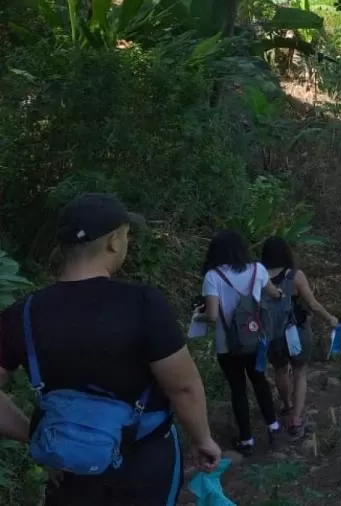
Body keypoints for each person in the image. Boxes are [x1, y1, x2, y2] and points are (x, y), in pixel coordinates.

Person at [0, 193, 220, 505]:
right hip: (143, 463)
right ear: (114, 241)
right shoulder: (143, 303)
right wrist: (202, 440)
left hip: (69, 466)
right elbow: (183, 387)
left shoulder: (22, 314)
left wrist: (37, 437)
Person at [197, 229, 282, 456]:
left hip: (228, 345)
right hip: (256, 340)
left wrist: (199, 315)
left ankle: (247, 439)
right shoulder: (258, 269)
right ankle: (273, 427)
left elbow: (213, 315)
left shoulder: (213, 277)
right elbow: (273, 293)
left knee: (238, 389)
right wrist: (279, 295)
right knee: (260, 381)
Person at [260, 237, 338, 439]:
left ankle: (286, 405)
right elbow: (312, 304)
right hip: (297, 331)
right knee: (300, 371)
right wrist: (330, 318)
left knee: (280, 369)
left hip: (271, 333)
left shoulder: (258, 276)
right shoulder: (295, 276)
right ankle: (296, 419)